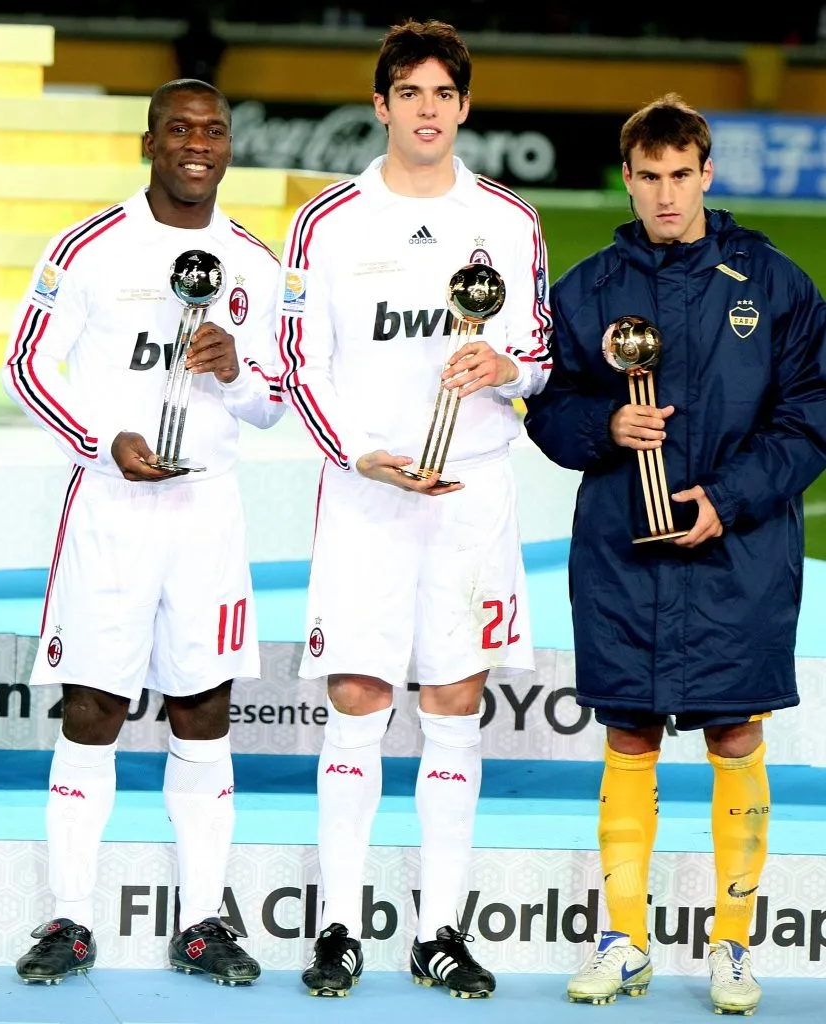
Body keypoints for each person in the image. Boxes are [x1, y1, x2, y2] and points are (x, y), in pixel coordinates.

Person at [523, 93, 826, 1015]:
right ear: (627, 176)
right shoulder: (584, 290)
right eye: (648, 177)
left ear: (706, 174)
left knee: (736, 734)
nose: (664, 194)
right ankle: (624, 941)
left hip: (740, 553)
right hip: (623, 550)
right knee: (628, 736)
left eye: (680, 176)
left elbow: (811, 416)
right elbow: (547, 410)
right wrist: (605, 422)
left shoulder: (773, 285)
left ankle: (733, 948)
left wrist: (727, 502)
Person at [275, 18, 551, 999]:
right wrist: (362, 453)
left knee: (453, 709)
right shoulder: (327, 221)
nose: (428, 109)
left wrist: (506, 364)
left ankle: (439, 933)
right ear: (382, 103)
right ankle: (339, 928)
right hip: (365, 495)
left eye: (445, 93)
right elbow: (297, 367)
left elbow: (543, 354)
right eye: (411, 92)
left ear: (464, 106)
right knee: (356, 704)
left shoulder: (511, 223)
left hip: (471, 494)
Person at [2, 78, 285, 986]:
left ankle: (202, 922)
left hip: (207, 514)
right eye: (179, 129)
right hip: (113, 507)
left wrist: (236, 371)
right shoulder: (90, 246)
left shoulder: (254, 259)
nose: (197, 143)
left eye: (212, 130)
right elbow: (25, 363)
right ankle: (70, 920)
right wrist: (100, 441)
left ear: (227, 144)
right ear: (149, 141)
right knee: (94, 707)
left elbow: (271, 403)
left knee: (205, 709)